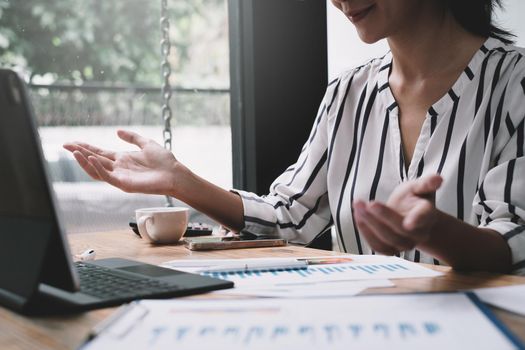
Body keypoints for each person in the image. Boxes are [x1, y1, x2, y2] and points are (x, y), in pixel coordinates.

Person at [64, 0, 525, 274]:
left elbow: (511, 245)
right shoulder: (349, 92)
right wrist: (178, 181)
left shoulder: (514, 82)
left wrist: (438, 233)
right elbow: (289, 216)